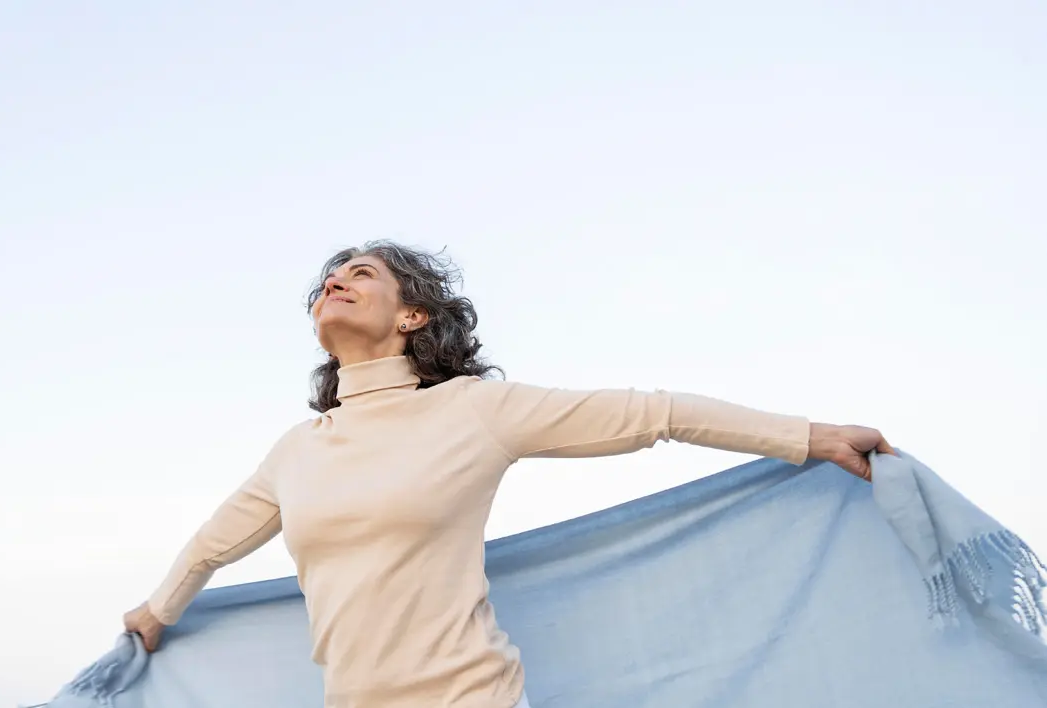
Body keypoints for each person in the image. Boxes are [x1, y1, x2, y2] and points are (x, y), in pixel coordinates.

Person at [121, 241, 893, 708]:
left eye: (359, 274)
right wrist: (155, 615)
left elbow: (654, 412)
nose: (335, 283)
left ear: (411, 316)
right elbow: (209, 547)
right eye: (327, 280)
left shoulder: (474, 412)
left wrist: (810, 437)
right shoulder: (296, 450)